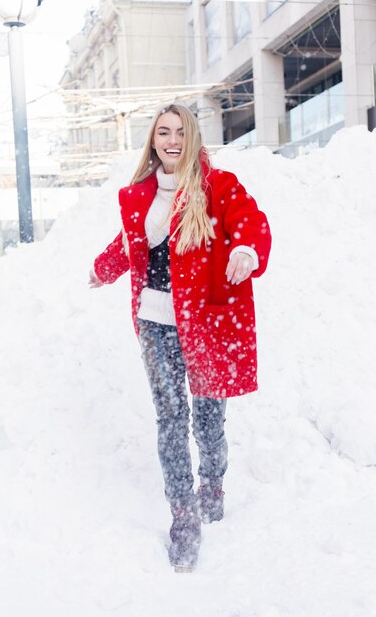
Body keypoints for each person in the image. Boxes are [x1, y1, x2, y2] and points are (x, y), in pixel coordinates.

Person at [89, 102, 271, 572]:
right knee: (170, 416)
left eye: (180, 132)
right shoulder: (142, 194)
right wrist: (102, 268)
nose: (171, 140)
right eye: (162, 132)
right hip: (154, 320)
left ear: (192, 139)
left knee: (209, 420)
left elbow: (250, 220)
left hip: (206, 323)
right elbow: (132, 242)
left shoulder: (218, 188)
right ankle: (182, 515)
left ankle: (212, 484)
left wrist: (248, 249)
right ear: (153, 140)